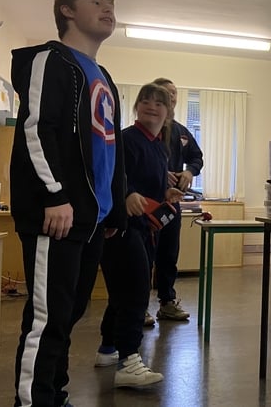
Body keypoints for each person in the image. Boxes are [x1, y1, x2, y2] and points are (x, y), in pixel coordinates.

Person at [10, 0, 127, 407]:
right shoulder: (51, 59)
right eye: (97, 1)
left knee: (70, 312)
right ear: (67, 11)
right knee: (48, 318)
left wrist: (112, 214)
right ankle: (34, 402)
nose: (108, 9)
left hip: (91, 220)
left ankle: (53, 395)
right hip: (57, 212)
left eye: (112, 4)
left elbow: (109, 150)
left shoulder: (103, 76)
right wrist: (54, 194)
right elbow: (36, 130)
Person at [95, 83, 182, 387]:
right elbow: (109, 173)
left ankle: (108, 349)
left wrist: (167, 190)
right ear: (136, 107)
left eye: (158, 103)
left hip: (144, 228)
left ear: (168, 111)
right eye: (145, 101)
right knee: (135, 292)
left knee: (122, 292)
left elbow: (151, 183)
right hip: (120, 226)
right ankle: (129, 360)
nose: (151, 106)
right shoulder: (124, 139)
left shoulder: (159, 145)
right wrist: (128, 192)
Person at [149, 77, 203, 323]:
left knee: (169, 253)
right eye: (166, 92)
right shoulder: (144, 129)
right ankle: (138, 307)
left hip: (172, 205)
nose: (171, 96)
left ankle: (167, 302)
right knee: (144, 255)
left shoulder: (182, 131)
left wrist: (189, 172)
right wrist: (160, 175)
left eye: (174, 93)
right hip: (145, 203)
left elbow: (196, 158)